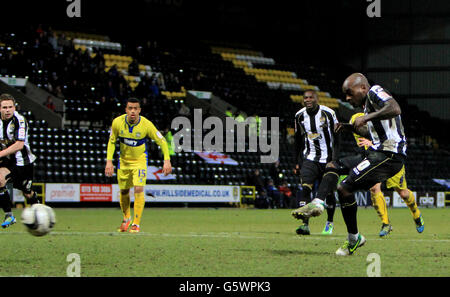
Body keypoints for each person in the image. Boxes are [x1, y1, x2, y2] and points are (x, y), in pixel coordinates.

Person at [292, 73, 417, 256]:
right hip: (378, 153)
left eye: (350, 93)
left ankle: (348, 233)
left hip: (389, 155)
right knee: (333, 167)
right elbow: (372, 134)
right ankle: (321, 206)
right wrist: (348, 127)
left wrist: (366, 118)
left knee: (344, 187)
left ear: (363, 88)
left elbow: (395, 108)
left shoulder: (374, 92)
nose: (347, 98)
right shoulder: (368, 107)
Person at [311, 112, 424, 237]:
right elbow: (359, 139)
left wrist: (374, 144)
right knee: (374, 188)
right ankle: (386, 223)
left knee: (403, 193)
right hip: (373, 159)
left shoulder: (381, 120)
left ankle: (416, 214)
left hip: (390, 157)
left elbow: (392, 139)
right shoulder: (356, 119)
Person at [105, 97, 172, 233]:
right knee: (123, 191)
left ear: (140, 110)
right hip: (123, 161)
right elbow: (111, 142)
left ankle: (136, 223)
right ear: (126, 110)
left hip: (140, 161)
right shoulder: (117, 122)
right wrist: (109, 161)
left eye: (136, 108)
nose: (133, 111)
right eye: (130, 108)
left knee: (138, 189)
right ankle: (126, 219)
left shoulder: (146, 125)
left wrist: (167, 160)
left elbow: (162, 141)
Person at [291, 89, 340, 235]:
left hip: (328, 161)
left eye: (311, 97)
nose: (308, 100)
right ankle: (305, 225)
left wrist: (334, 160)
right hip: (310, 159)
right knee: (305, 189)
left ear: (317, 99)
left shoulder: (329, 114)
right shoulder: (299, 116)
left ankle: (329, 222)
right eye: (305, 98)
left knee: (329, 194)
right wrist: (296, 162)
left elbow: (337, 139)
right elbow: (297, 140)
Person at [0, 94, 40, 228]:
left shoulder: (19, 120)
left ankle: (39, 212)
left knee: (28, 193)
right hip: (8, 161)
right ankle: (9, 215)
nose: (8, 110)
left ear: (14, 107)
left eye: (10, 107)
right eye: (4, 107)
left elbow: (19, 145)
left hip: (23, 163)